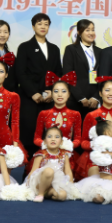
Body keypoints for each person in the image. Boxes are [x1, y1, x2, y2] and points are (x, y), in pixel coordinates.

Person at [15, 13, 63, 156]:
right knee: (29, 134)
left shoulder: (54, 49)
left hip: (48, 98)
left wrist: (52, 91)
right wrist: (33, 93)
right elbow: (20, 73)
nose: (43, 27)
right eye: (39, 24)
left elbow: (58, 73)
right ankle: (29, 166)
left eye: (46, 24)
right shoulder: (25, 47)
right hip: (30, 98)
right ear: (33, 26)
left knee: (48, 133)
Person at [75, 76, 112, 180]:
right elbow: (83, 142)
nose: (111, 93)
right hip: (95, 158)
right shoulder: (91, 115)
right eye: (107, 90)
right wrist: (98, 145)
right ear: (100, 93)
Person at [32, 73, 82, 167]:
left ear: (69, 94)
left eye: (63, 91)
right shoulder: (43, 114)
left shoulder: (75, 114)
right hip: (47, 155)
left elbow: (78, 139)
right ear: (51, 94)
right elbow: (36, 138)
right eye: (56, 91)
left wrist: (66, 145)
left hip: (67, 155)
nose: (59, 94)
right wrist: (48, 144)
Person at [63, 19, 102, 120]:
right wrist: (81, 97)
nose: (91, 33)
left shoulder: (100, 52)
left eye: (93, 30)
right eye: (87, 30)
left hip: (94, 102)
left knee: (92, 128)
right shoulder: (71, 49)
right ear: (79, 32)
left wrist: (96, 97)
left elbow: (103, 76)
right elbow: (68, 76)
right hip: (75, 100)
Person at [25, 126, 74, 202]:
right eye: (49, 136)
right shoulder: (41, 154)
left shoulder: (64, 154)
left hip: (55, 184)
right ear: (44, 141)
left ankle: (47, 193)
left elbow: (68, 171)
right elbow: (33, 171)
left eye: (57, 137)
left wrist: (71, 187)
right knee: (49, 171)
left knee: (62, 196)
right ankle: (40, 194)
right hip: (40, 182)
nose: (53, 139)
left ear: (61, 142)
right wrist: (27, 186)